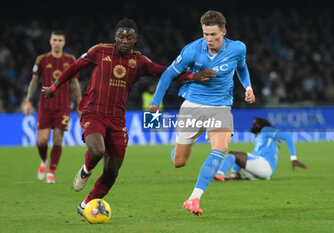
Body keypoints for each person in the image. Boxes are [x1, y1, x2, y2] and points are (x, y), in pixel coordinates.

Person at [42, 18, 214, 217]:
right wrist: (54, 87)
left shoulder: (139, 61)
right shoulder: (99, 51)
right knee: (97, 150)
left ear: (135, 40)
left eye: (129, 37)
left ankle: (86, 204)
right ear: (115, 37)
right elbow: (75, 67)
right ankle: (86, 170)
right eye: (121, 36)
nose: (124, 40)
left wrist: (193, 76)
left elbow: (164, 72)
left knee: (112, 171)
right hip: (93, 112)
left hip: (117, 120)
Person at [148, 10, 255, 215]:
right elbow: (167, 74)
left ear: (223, 32)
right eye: (205, 34)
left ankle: (193, 199)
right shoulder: (191, 50)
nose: (209, 39)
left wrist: (248, 87)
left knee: (221, 149)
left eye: (213, 34)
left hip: (221, 107)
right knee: (179, 162)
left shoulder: (237, 48)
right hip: (193, 106)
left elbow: (241, 67)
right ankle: (181, 147)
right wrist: (155, 103)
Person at [24, 30, 82, 184]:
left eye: (60, 40)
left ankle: (51, 172)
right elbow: (34, 82)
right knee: (42, 141)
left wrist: (79, 102)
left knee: (57, 138)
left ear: (64, 42)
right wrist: (29, 100)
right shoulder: (42, 59)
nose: (57, 42)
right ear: (50, 41)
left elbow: (75, 83)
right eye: (54, 39)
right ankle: (44, 161)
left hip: (63, 106)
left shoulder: (70, 59)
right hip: (45, 106)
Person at [214, 117, 308, 181]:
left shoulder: (266, 130)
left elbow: (288, 136)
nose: (253, 124)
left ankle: (220, 173)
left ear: (260, 125)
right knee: (237, 158)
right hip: (260, 169)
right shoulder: (260, 138)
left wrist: (293, 158)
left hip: (265, 166)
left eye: (255, 123)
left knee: (233, 155)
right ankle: (235, 174)